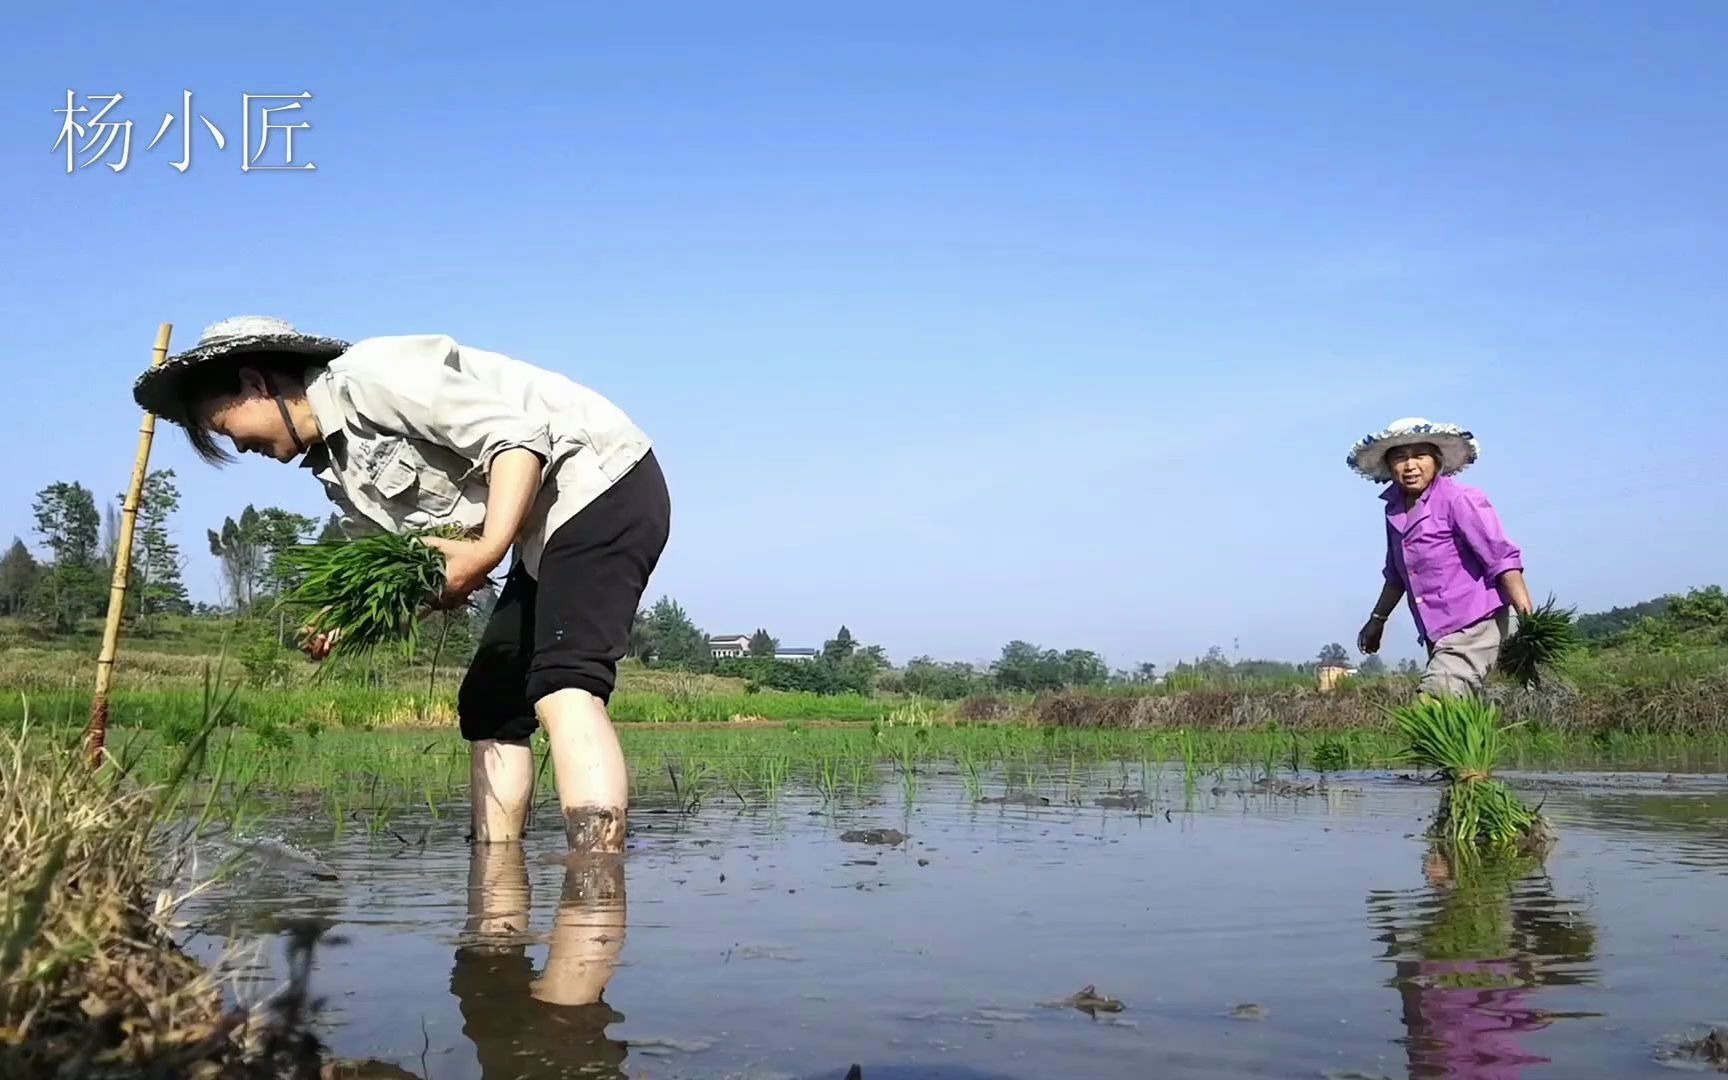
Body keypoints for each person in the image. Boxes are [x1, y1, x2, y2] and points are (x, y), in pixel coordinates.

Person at [134, 315, 670, 854]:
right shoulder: (337, 473)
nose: (240, 449)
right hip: (540, 533)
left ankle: (597, 873)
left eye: (228, 431)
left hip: (598, 483)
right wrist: (355, 619)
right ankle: (496, 878)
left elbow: (517, 442)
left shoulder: (371, 377)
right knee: (490, 701)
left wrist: (485, 552)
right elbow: (419, 567)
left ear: (256, 385)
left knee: (563, 679)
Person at [1348, 417, 1532, 698]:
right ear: (1389, 465)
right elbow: (1397, 575)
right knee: (1459, 718)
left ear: (1436, 460)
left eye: (1420, 456)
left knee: (1433, 704)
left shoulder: (1459, 500)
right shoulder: (1395, 511)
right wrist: (1377, 620)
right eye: (1400, 457)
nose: (1410, 466)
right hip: (1438, 632)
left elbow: (1502, 559)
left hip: (1474, 623)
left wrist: (1530, 622)